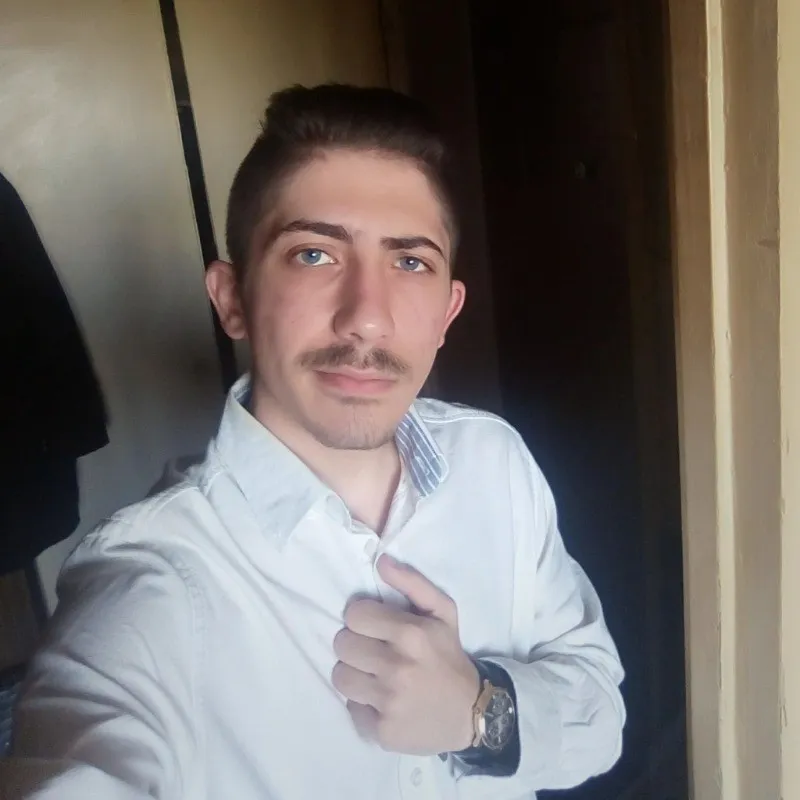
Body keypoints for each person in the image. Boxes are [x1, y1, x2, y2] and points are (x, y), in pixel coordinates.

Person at [1, 84, 624, 800]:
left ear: (447, 313)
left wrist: (481, 712)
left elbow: (600, 714)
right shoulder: (151, 588)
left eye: (410, 263)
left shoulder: (496, 463)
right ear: (232, 299)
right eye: (314, 255)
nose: (367, 318)